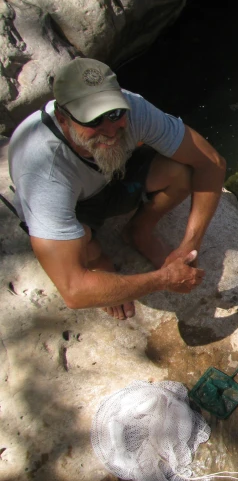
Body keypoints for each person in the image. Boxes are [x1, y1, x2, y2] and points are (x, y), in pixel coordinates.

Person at [8, 57, 226, 320]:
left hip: (111, 179)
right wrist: (163, 278)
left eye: (114, 114)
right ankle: (100, 264)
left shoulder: (132, 107)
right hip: (76, 206)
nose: (110, 129)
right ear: (64, 120)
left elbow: (211, 162)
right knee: (84, 247)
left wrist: (189, 246)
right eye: (93, 120)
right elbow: (74, 291)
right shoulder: (43, 169)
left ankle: (139, 231)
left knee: (181, 172)